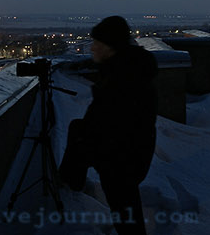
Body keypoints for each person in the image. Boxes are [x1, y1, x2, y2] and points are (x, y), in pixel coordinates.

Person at [58, 15, 158, 235]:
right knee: (127, 211)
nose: (92, 48)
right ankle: (70, 182)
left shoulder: (124, 79)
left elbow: (115, 124)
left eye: (97, 43)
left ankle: (69, 184)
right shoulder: (125, 69)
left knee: (126, 215)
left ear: (111, 47)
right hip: (126, 153)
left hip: (122, 158)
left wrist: (88, 144)